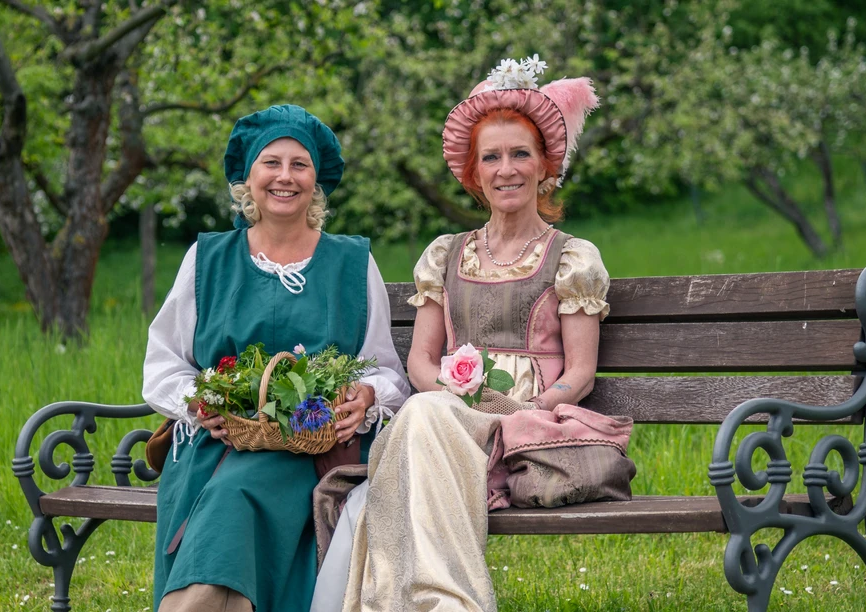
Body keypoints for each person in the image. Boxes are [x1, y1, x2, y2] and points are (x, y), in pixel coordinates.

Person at [314, 58, 629, 611]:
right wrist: (449, 400)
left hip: (524, 430)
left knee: (418, 421)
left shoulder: (572, 258)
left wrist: (519, 412)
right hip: (444, 422)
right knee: (425, 413)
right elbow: (420, 363)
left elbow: (579, 375)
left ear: (544, 167)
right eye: (492, 157)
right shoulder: (445, 254)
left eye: (519, 154)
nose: (506, 169)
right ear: (475, 173)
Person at [142, 104, 411, 612]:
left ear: (316, 181)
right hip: (220, 443)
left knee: (238, 495)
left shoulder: (351, 261)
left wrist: (367, 396)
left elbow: (384, 366)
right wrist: (200, 401)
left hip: (318, 444)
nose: (285, 177)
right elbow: (163, 364)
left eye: (299, 164)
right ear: (248, 177)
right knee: (229, 490)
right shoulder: (208, 259)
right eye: (272, 163)